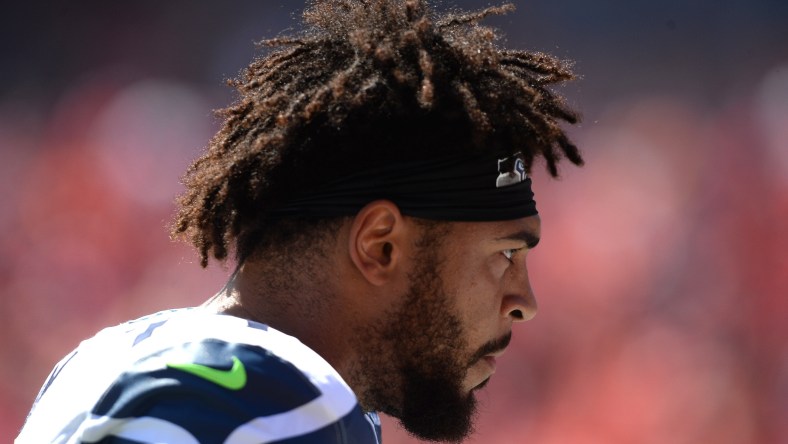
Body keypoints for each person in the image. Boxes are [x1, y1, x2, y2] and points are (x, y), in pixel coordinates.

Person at [17, 0, 584, 442]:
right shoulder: (262, 394)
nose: (523, 300)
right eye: (505, 254)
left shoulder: (103, 360)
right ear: (380, 247)